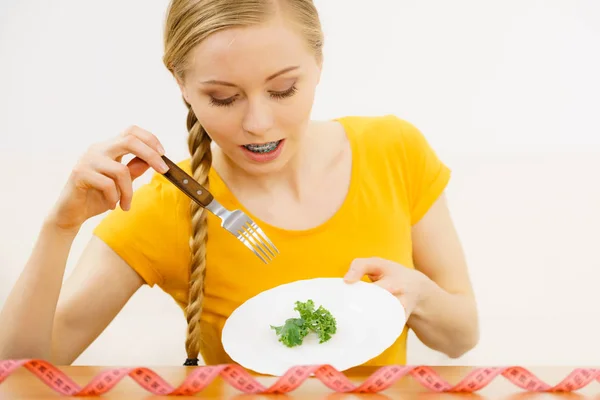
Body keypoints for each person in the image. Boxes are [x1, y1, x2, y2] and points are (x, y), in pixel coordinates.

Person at [0, 0, 479, 367]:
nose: (258, 123)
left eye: (283, 89)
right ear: (182, 86)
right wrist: (58, 227)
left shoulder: (394, 151)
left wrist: (417, 295)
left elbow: (461, 336)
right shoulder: (167, 209)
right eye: (223, 98)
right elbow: (22, 370)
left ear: (318, 65)